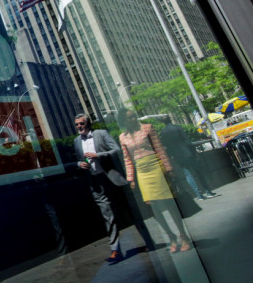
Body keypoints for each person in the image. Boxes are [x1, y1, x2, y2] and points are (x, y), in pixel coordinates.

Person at [73, 113, 151, 262]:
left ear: (88, 123)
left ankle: (148, 241)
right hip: (96, 182)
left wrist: (98, 155)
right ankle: (115, 250)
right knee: (107, 216)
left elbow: (117, 150)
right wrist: (79, 164)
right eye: (76, 125)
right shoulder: (76, 141)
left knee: (131, 211)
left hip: (112, 179)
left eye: (81, 124)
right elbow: (78, 159)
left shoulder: (101, 134)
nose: (79, 127)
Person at [120, 112, 192, 253]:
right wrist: (131, 179)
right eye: (129, 117)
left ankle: (183, 235)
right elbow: (127, 159)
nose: (133, 118)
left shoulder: (147, 128)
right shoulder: (122, 137)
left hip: (156, 166)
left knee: (169, 203)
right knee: (153, 206)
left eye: (133, 116)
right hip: (141, 171)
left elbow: (159, 148)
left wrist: (169, 168)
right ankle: (171, 236)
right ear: (124, 121)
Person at [159, 116, 219, 201]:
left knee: (187, 174)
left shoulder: (163, 133)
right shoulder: (178, 128)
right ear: (170, 120)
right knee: (198, 172)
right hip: (188, 153)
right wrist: (193, 151)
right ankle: (208, 191)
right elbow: (187, 140)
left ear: (163, 123)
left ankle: (199, 195)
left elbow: (166, 146)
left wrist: (171, 155)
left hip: (177, 156)